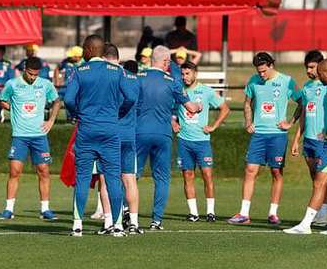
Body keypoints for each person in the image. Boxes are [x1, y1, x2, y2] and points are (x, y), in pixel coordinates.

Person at [64, 35, 137, 237]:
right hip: (110, 130)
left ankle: (77, 225)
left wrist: (78, 112)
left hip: (87, 129)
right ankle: (118, 226)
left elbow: (68, 99)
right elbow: (131, 97)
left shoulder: (80, 72)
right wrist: (119, 112)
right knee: (113, 178)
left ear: (88, 50)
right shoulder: (117, 71)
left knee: (83, 178)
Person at [284, 59, 327, 235]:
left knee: (319, 182)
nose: (318, 76)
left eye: (320, 73)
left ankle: (305, 225)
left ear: (325, 73)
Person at [228, 52, 299, 226]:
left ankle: (273, 213)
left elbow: (302, 102)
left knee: (276, 172)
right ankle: (244, 213)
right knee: (250, 170)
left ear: (271, 65)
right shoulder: (253, 81)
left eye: (263, 71)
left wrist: (290, 123)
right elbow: (247, 103)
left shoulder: (286, 81)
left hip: (277, 135)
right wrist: (248, 122)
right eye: (258, 71)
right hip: (258, 134)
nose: (261, 74)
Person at [136, 46, 201, 230]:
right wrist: (198, 106)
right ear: (165, 62)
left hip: (139, 132)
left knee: (132, 175)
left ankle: (128, 215)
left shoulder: (138, 78)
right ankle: (156, 220)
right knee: (162, 177)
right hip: (162, 134)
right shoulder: (173, 81)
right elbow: (190, 108)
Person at [0, 56, 61, 220]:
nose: (33, 77)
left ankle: (45, 209)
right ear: (25, 70)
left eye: (35, 74)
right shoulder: (12, 84)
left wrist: (51, 121)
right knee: (14, 171)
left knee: (44, 172)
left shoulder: (45, 84)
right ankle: (9, 209)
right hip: (20, 136)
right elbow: (2, 99)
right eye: (30, 74)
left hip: (39, 136)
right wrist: (12, 108)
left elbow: (56, 101)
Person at [94, 46, 144, 235]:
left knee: (106, 179)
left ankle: (110, 223)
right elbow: (137, 104)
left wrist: (116, 112)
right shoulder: (133, 78)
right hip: (129, 134)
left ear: (104, 59)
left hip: (109, 135)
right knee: (129, 178)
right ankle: (134, 223)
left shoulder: (106, 77)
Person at [172, 61, 229, 222]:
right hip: (184, 141)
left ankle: (210, 212)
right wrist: (173, 122)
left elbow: (225, 108)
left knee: (207, 175)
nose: (184, 77)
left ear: (195, 73)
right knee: (188, 175)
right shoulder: (178, 91)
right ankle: (193, 213)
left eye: (187, 73)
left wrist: (214, 126)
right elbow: (170, 111)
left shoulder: (206, 91)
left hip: (202, 141)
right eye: (182, 74)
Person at [291, 50, 327, 225]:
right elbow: (304, 115)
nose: (309, 70)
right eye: (307, 67)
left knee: (324, 178)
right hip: (308, 140)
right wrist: (296, 140)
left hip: (324, 140)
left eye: (312, 67)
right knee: (314, 177)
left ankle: (323, 213)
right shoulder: (307, 87)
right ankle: (317, 211)